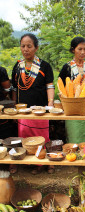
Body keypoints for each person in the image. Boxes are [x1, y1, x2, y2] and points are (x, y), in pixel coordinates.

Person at [12, 33, 55, 174]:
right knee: (25, 135)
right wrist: (13, 107)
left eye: (29, 46)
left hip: (41, 109)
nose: (26, 49)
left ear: (36, 47)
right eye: (23, 46)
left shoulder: (44, 66)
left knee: (43, 136)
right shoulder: (18, 66)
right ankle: (30, 162)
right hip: (23, 110)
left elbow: (50, 86)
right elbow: (14, 88)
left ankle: (45, 162)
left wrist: (50, 104)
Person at [59, 37, 85, 145]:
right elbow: (61, 87)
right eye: (79, 49)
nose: (83, 52)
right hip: (72, 107)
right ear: (73, 50)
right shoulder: (67, 67)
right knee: (74, 134)